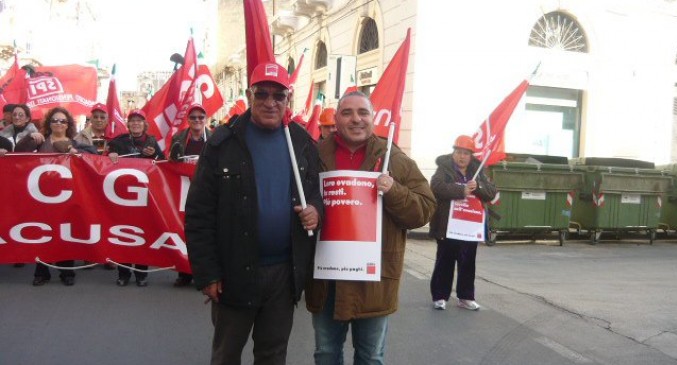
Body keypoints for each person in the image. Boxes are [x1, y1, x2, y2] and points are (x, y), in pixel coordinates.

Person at [185, 61, 322, 365]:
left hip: (284, 274)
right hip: (235, 271)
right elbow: (198, 214)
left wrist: (316, 211)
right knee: (226, 355)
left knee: (272, 355)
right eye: (261, 94)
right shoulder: (223, 142)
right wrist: (207, 273)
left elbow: (316, 194)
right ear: (249, 95)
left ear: (288, 99)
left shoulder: (301, 143)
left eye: (278, 95)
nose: (270, 103)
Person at [305, 91, 436, 364]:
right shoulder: (314, 157)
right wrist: (308, 213)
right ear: (337, 118)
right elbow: (294, 199)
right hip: (327, 279)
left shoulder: (393, 159)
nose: (356, 119)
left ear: (373, 118)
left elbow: (424, 210)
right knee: (326, 354)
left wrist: (393, 190)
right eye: (347, 112)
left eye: (363, 113)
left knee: (370, 357)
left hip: (373, 281)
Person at [20, 106, 97, 286]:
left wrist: (76, 152)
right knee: (43, 234)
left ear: (68, 124)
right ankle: (42, 271)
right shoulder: (40, 142)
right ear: (49, 123)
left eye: (62, 120)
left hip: (67, 196)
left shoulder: (75, 143)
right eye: (55, 120)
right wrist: (29, 137)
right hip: (42, 197)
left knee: (66, 234)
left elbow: (94, 155)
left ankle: (66, 271)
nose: (58, 123)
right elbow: (18, 152)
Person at [428, 135, 497, 311]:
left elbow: (491, 193)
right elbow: (436, 187)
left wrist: (478, 187)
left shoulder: (479, 171)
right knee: (445, 261)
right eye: (458, 152)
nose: (462, 156)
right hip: (448, 225)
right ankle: (440, 297)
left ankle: (465, 297)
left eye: (466, 153)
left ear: (471, 155)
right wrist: (461, 190)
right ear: (453, 153)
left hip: (470, 227)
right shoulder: (444, 169)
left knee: (468, 262)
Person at [108, 109, 165, 287]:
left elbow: (163, 164)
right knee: (123, 235)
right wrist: (110, 156)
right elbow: (104, 161)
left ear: (144, 124)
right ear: (128, 124)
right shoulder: (118, 142)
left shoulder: (152, 141)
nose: (135, 123)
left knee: (143, 235)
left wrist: (154, 155)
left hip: (144, 196)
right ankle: (123, 273)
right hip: (122, 196)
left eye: (139, 121)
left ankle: (141, 273)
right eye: (132, 120)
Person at [169, 103, 212, 287]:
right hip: (184, 190)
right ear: (188, 120)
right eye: (193, 117)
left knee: (205, 232)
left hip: (207, 190)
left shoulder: (213, 137)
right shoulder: (179, 137)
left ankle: (202, 274)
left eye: (200, 117)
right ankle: (184, 273)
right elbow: (170, 161)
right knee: (183, 228)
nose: (197, 121)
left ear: (205, 120)